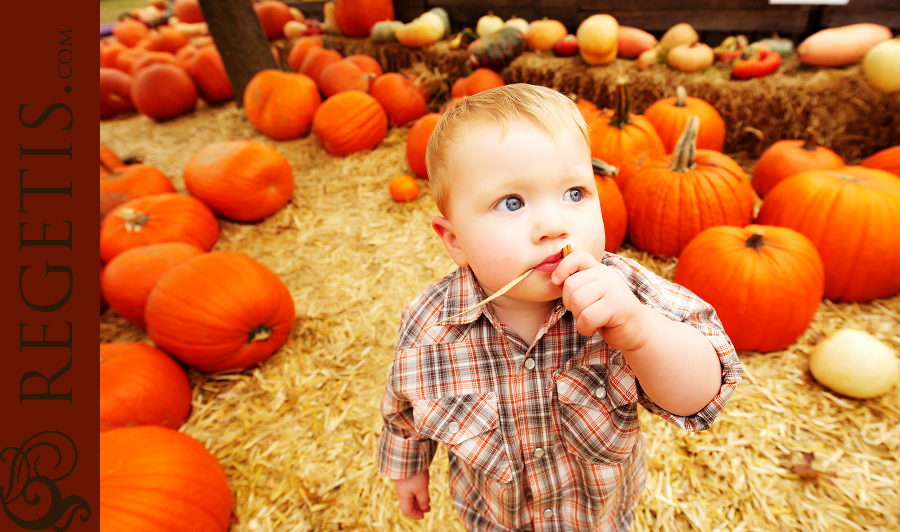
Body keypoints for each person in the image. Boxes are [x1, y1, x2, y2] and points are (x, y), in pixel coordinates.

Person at [376, 83, 742, 532]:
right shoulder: (432, 325)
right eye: (512, 202)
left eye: (574, 193)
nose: (554, 224)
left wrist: (641, 332)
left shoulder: (625, 293)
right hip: (494, 519)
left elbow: (700, 396)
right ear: (455, 241)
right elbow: (403, 408)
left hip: (598, 519)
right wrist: (408, 468)